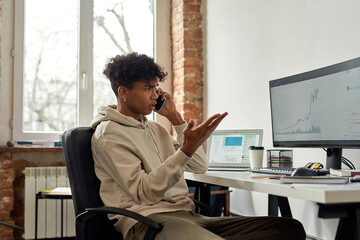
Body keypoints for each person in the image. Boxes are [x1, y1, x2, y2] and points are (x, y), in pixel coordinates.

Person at [90, 52, 306, 240]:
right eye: (148, 88)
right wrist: (184, 151)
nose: (156, 95)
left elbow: (199, 166)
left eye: (157, 88)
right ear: (123, 92)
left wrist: (175, 118)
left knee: (289, 229)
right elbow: (144, 193)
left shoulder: (156, 129)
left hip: (189, 216)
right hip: (148, 222)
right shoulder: (110, 134)